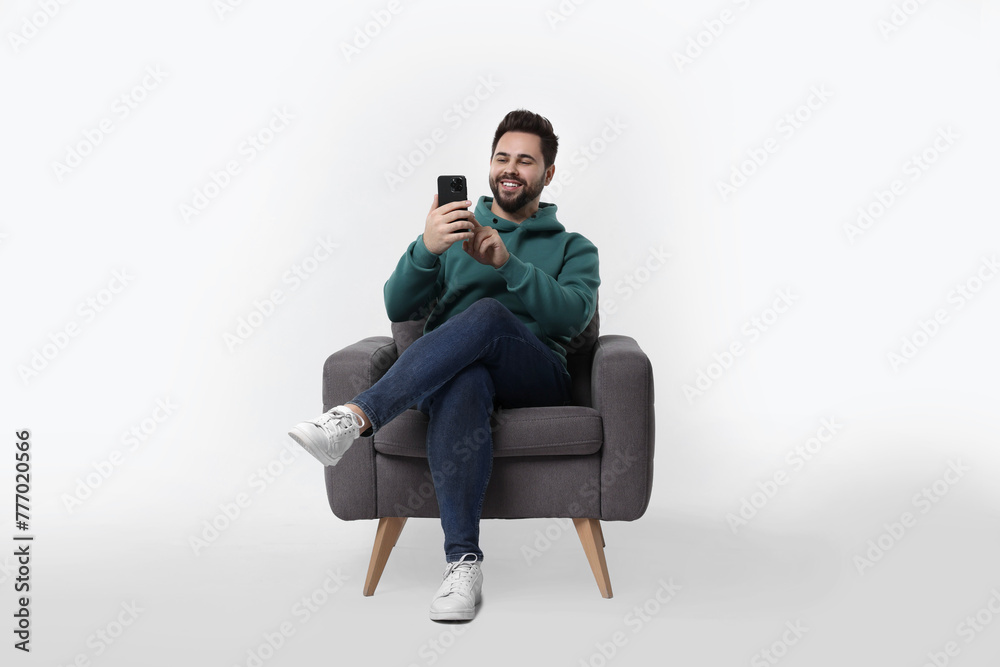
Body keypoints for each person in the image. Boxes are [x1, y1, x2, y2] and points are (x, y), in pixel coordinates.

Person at [289, 109, 600, 621]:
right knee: (465, 379)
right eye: (502, 157)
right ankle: (463, 565)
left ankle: (355, 418)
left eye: (526, 161)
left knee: (488, 314)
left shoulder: (573, 247)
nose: (511, 168)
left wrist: (508, 265)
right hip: (449, 374)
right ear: (490, 165)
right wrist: (426, 249)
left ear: (547, 174)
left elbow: (573, 316)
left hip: (535, 375)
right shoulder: (452, 233)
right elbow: (398, 307)